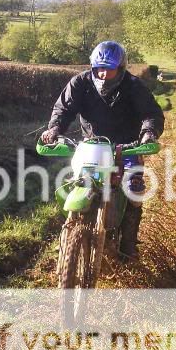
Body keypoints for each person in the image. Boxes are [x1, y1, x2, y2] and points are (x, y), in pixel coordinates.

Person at [41, 41, 165, 259]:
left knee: (133, 191)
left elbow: (151, 113)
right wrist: (54, 129)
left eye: (109, 69)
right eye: (99, 68)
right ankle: (71, 232)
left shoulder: (134, 86)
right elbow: (64, 109)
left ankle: (128, 249)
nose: (103, 74)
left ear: (121, 68)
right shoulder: (80, 83)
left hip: (125, 147)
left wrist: (149, 132)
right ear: (92, 66)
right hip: (92, 145)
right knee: (78, 182)